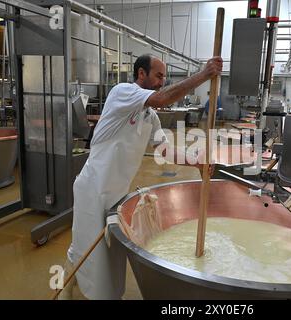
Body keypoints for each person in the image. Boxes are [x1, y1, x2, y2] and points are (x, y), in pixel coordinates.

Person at [63, 54, 222, 300]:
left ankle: (94, 289)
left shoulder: (150, 117)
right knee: (89, 251)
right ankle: (68, 286)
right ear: (141, 74)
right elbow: (162, 98)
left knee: (110, 254)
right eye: (158, 75)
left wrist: (196, 161)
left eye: (164, 76)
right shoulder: (122, 92)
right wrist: (203, 75)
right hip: (93, 188)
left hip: (117, 194)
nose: (162, 81)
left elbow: (164, 150)